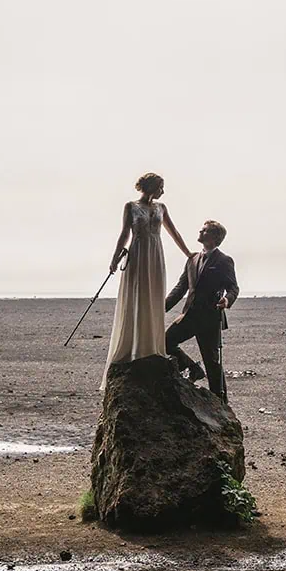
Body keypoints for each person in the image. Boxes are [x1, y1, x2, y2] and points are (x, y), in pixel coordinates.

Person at [101, 172, 193, 389]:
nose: (163, 191)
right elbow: (124, 233)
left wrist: (189, 254)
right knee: (137, 298)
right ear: (152, 186)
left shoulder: (161, 208)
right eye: (161, 186)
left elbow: (174, 232)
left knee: (153, 298)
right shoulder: (130, 207)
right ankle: (133, 348)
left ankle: (151, 348)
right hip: (139, 255)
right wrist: (115, 258)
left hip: (155, 255)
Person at [165, 220, 240, 401]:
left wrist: (227, 300)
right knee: (165, 341)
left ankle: (221, 402)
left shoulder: (224, 261)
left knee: (212, 363)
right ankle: (193, 368)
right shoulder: (192, 260)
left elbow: (233, 287)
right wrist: (160, 309)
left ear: (215, 237)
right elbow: (180, 288)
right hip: (189, 315)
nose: (200, 231)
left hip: (210, 318)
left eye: (204, 230)